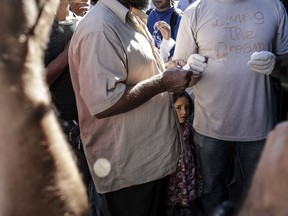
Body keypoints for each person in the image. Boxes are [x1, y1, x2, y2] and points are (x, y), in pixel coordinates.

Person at [68, 0, 193, 215]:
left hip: (146, 163)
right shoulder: (100, 28)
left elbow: (136, 75)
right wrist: (163, 82)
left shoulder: (125, 18)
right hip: (129, 171)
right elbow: (105, 101)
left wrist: (166, 70)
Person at [172, 0, 288, 214]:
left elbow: (285, 61)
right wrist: (191, 70)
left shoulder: (273, 6)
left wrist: (276, 65)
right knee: (212, 190)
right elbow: (179, 72)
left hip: (259, 124)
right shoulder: (195, 11)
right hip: (210, 126)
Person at [44, 1, 100, 215]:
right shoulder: (39, 31)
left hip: (87, 124)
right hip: (59, 129)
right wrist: (68, 53)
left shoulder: (81, 24)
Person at [167, 92, 203, 216]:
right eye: (178, 108)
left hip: (187, 165)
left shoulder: (188, 125)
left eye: (187, 107)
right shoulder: (167, 127)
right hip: (172, 168)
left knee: (186, 194)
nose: (184, 112)